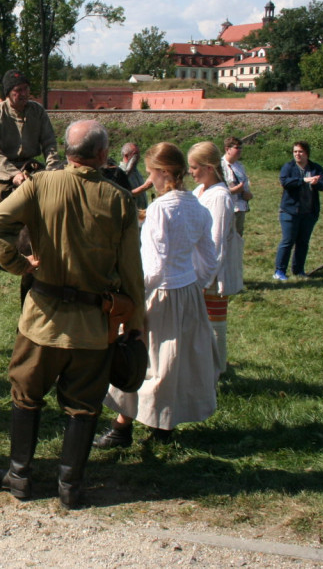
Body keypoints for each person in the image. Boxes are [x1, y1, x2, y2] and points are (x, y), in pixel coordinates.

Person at [0, 120, 145, 509]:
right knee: (84, 405)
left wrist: (19, 264)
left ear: (68, 152)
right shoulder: (120, 200)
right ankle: (70, 486)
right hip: (93, 326)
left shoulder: (40, 184)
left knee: (25, 395)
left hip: (41, 320)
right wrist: (135, 323)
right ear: (103, 154)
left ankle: (20, 476)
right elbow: (131, 272)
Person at [98, 142, 217, 447]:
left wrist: (135, 297)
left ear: (164, 172)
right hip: (188, 292)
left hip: (161, 294)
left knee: (144, 360)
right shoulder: (197, 207)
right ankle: (164, 424)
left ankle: (123, 428)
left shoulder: (160, 209)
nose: (149, 179)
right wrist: (194, 286)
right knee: (175, 362)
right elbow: (209, 261)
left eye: (151, 173)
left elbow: (155, 266)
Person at [188, 141, 244, 378]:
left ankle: (216, 371)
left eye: (194, 167)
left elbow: (216, 242)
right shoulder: (199, 191)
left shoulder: (220, 196)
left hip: (212, 273)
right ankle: (201, 368)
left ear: (209, 167)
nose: (190, 171)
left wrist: (206, 278)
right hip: (196, 270)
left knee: (214, 324)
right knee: (199, 324)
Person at [0, 69, 64, 206]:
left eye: (26, 89)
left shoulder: (38, 111)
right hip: (1, 168)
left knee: (58, 193)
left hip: (30, 165)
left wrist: (53, 168)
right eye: (18, 90)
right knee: (1, 196)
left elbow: (49, 143)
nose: (24, 93)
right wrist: (13, 174)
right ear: (8, 93)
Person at [273, 141, 323, 281]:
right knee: (288, 241)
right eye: (295, 151)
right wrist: (304, 180)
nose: (297, 154)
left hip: (309, 212)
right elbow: (285, 182)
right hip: (290, 211)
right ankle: (279, 271)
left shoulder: (315, 168)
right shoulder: (288, 167)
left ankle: (298, 270)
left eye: (300, 151)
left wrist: (316, 183)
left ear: (307, 153)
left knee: (303, 242)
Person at [221, 137, 253, 237]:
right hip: (226, 208)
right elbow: (215, 189)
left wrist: (249, 195)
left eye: (241, 148)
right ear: (227, 149)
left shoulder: (240, 166)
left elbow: (245, 185)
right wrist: (233, 191)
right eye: (237, 148)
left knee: (237, 239)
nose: (239, 150)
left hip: (240, 208)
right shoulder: (219, 166)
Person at [119, 142, 151, 211]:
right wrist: (145, 186)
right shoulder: (120, 173)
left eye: (139, 154)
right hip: (131, 215)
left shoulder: (136, 171)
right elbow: (124, 195)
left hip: (143, 213)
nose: (138, 157)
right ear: (126, 155)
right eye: (135, 154)